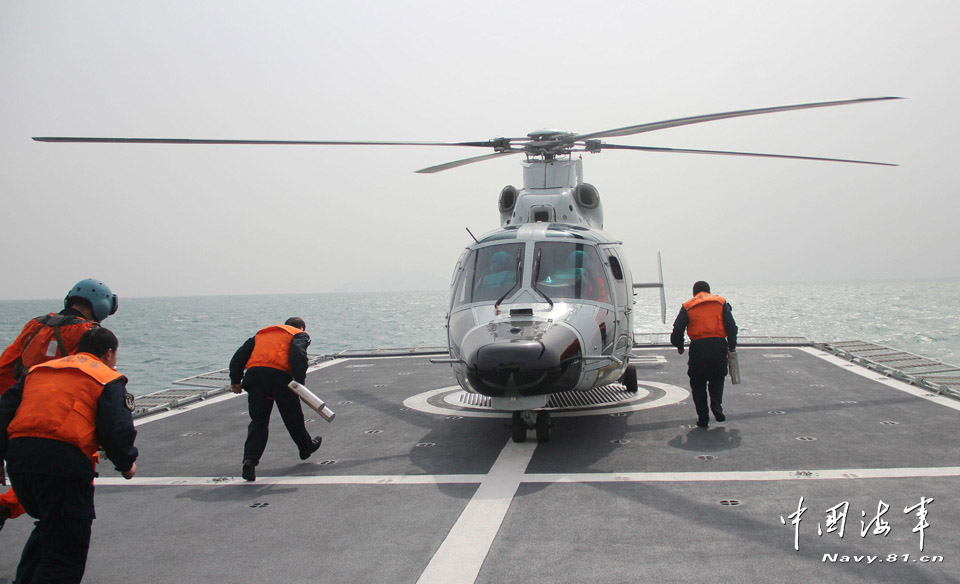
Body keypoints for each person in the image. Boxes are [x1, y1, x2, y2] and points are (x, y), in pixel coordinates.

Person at [0, 327, 138, 584]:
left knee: (49, 529)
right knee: (64, 556)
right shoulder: (106, 377)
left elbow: (3, 412)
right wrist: (127, 463)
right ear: (109, 353)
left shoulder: (40, 370)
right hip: (64, 463)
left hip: (19, 462)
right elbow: (116, 428)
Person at [0, 278, 118, 530]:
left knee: (30, 475)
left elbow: (6, 367)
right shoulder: (88, 333)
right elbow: (101, 377)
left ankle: (9, 509)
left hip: (22, 412)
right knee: (68, 496)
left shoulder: (35, 325)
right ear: (101, 305)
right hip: (65, 422)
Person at [229, 317, 321, 482]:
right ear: (301, 327)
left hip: (255, 377)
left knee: (258, 421)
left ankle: (249, 461)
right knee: (292, 417)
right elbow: (298, 355)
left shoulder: (263, 334)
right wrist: (299, 383)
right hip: (280, 378)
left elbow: (240, 355)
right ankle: (305, 448)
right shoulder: (299, 334)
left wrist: (235, 380)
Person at [671, 281, 738, 428]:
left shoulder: (688, 306)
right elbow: (731, 327)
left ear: (694, 293)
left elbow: (677, 330)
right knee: (718, 378)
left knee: (697, 382)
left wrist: (680, 346)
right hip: (718, 345)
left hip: (698, 348)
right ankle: (716, 406)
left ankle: (703, 417)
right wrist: (731, 347)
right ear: (709, 291)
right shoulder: (720, 302)